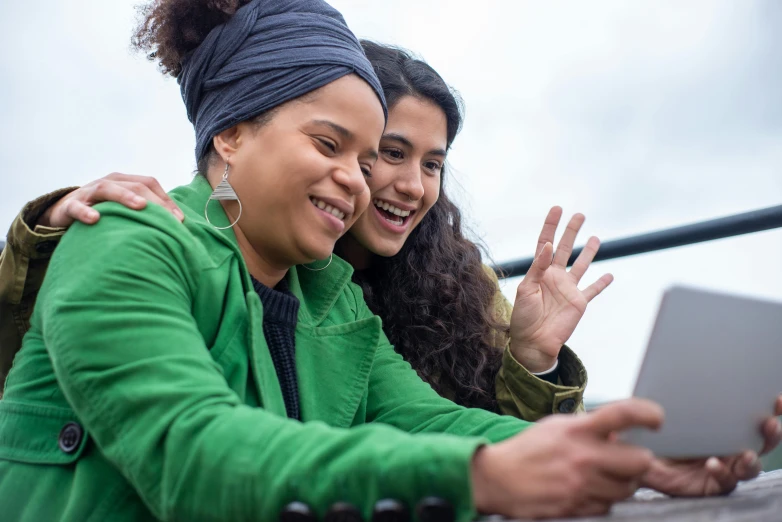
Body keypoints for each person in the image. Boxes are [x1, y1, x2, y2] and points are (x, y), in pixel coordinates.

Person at [0, 2, 779, 521]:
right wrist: (470, 476)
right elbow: (191, 448)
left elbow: (431, 420)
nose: (358, 179)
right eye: (329, 144)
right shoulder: (129, 241)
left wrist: (629, 455)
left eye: (368, 157)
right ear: (230, 133)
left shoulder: (330, 298)